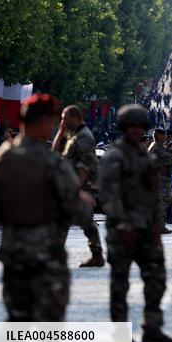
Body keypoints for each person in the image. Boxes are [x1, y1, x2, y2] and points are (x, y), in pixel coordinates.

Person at [0, 94, 94, 342]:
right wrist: (84, 201)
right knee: (49, 334)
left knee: (16, 322)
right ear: (42, 121)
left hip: (14, 255)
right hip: (47, 257)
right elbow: (76, 208)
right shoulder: (51, 162)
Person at [99, 105, 172, 342]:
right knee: (120, 283)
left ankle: (152, 328)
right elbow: (110, 196)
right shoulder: (115, 156)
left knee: (156, 279)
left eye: (139, 127)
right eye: (131, 127)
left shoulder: (145, 156)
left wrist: (156, 223)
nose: (135, 131)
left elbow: (152, 192)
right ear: (123, 128)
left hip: (146, 227)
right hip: (122, 230)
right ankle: (120, 333)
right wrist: (123, 225)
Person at [52, 104, 104, 267]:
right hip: (73, 185)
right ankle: (95, 254)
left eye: (65, 119)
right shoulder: (71, 135)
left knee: (79, 220)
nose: (63, 121)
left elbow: (84, 167)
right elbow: (55, 152)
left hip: (82, 185)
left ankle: (56, 256)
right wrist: (60, 132)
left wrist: (76, 190)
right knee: (77, 220)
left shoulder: (84, 136)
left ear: (76, 118)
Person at [147, 127, 172, 232]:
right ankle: (159, 226)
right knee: (162, 203)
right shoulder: (157, 148)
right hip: (161, 179)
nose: (165, 137)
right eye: (163, 135)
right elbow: (171, 160)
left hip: (162, 178)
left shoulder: (159, 146)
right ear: (158, 136)